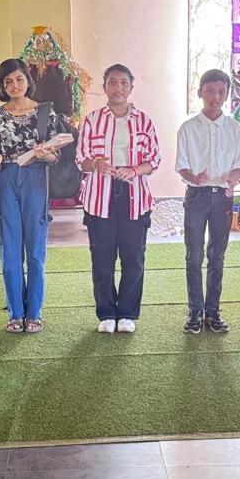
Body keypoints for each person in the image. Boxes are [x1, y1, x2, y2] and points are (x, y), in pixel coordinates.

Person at [0, 58, 68, 333]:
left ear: (27, 81)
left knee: (35, 251)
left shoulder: (45, 113)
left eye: (19, 79)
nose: (14, 85)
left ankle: (34, 313)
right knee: (9, 251)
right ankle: (15, 313)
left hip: (35, 179)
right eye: (8, 81)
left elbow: (56, 157)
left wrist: (47, 155)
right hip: (6, 180)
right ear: (1, 86)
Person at [76, 64, 161, 334]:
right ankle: (106, 313)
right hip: (99, 198)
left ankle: (126, 313)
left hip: (134, 198)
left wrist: (134, 170)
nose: (118, 88)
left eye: (124, 82)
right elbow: (81, 159)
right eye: (112, 82)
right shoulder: (92, 120)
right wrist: (95, 163)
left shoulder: (144, 121)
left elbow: (154, 160)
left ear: (131, 87)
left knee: (133, 258)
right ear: (105, 87)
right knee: (102, 259)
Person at [175, 69, 240, 334]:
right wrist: (194, 177)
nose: (215, 97)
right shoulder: (188, 128)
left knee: (217, 255)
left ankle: (213, 312)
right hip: (196, 196)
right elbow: (181, 166)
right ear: (200, 93)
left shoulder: (234, 129)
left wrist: (233, 179)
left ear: (226, 95)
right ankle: (195, 311)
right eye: (209, 91)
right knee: (194, 255)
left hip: (223, 197)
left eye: (220, 92)